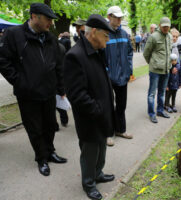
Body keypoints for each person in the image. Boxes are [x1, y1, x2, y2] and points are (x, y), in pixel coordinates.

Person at [0, 3, 67, 176]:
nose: (51, 23)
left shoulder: (50, 37)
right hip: (28, 94)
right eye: (48, 19)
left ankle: (50, 152)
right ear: (34, 16)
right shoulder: (14, 35)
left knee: (50, 125)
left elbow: (58, 64)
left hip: (48, 92)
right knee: (35, 129)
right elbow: (2, 60)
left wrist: (60, 87)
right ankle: (41, 158)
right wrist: (20, 82)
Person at [64, 14, 116, 200]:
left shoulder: (96, 50)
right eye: (106, 35)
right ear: (94, 32)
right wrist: (97, 110)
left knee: (101, 149)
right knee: (90, 151)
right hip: (90, 117)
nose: (108, 40)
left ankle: (98, 173)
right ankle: (88, 183)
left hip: (101, 114)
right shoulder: (75, 56)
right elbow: (77, 95)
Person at [105, 5, 134, 146]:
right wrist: (105, 71)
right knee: (108, 106)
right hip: (108, 77)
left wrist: (129, 70)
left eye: (120, 17)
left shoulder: (124, 34)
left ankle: (120, 130)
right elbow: (100, 55)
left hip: (123, 76)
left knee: (121, 105)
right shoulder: (104, 33)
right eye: (116, 17)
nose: (119, 19)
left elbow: (129, 52)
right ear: (109, 17)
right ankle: (108, 133)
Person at [143, 17, 172, 123]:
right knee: (152, 93)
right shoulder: (153, 37)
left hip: (166, 70)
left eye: (167, 26)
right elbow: (146, 52)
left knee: (162, 92)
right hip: (155, 70)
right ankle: (151, 113)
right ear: (160, 25)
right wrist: (151, 63)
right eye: (164, 26)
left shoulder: (169, 36)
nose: (165, 28)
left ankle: (160, 110)